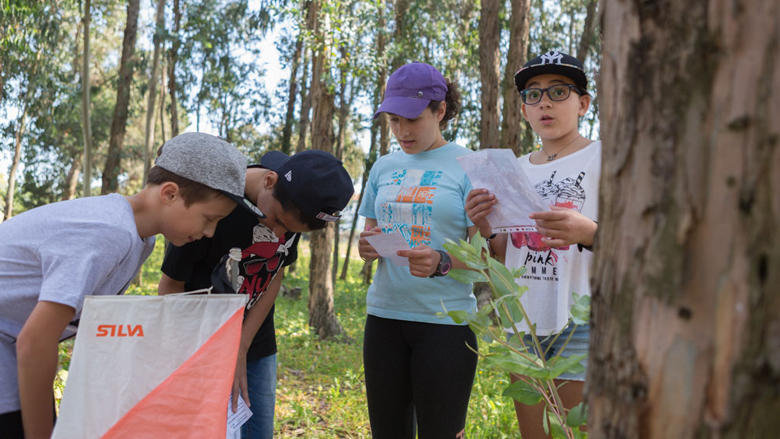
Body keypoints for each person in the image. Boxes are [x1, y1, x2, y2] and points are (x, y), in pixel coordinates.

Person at [0, 132, 263, 439]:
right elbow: (35, 342)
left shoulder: (140, 238)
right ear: (169, 194)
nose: (209, 232)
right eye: (208, 219)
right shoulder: (108, 231)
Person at [158, 149, 353, 439]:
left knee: (256, 430)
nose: (276, 234)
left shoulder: (297, 203)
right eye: (276, 221)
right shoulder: (213, 203)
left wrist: (241, 344)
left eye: (288, 230)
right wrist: (194, 351)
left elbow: (275, 272)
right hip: (196, 339)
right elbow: (170, 287)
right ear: (270, 181)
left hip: (255, 342)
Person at [465, 50, 599, 438]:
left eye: (559, 92)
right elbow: (508, 255)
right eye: (533, 94)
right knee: (535, 434)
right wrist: (487, 227)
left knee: (578, 433)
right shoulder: (515, 169)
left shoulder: (603, 158)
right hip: (523, 322)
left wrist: (587, 232)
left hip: (582, 321)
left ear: (583, 103)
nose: (544, 103)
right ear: (524, 109)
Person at [357, 62, 478, 439]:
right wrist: (367, 246)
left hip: (445, 326)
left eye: (412, 119)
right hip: (384, 320)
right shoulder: (383, 166)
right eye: (393, 120)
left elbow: (489, 260)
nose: (402, 132)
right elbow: (371, 232)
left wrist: (443, 261)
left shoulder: (469, 167)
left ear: (440, 111)